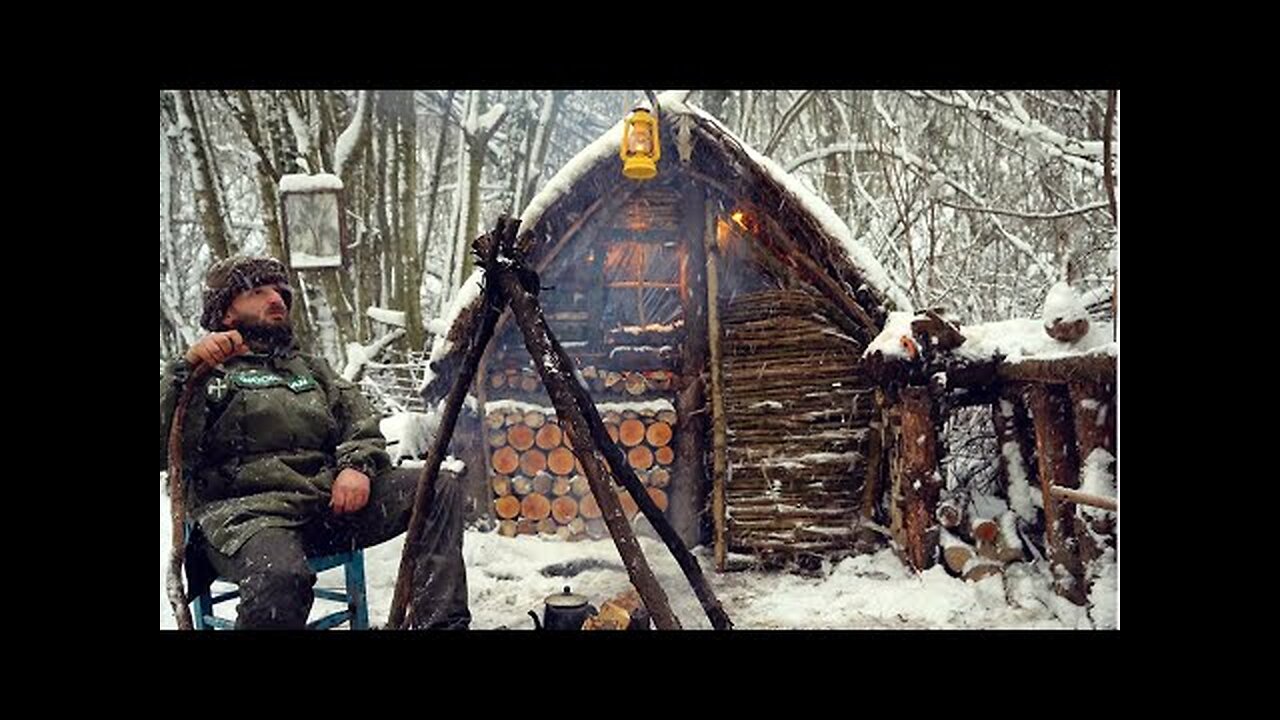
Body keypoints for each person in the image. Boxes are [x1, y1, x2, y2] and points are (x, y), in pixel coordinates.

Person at [160, 255, 469, 629]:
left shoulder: (311, 370)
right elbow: (167, 449)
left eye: (279, 291)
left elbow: (362, 423)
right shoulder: (205, 374)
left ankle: (439, 625)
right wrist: (185, 371)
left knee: (437, 485)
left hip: (324, 509)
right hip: (247, 519)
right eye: (258, 291)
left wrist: (357, 466)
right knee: (281, 579)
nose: (275, 299)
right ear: (226, 313)